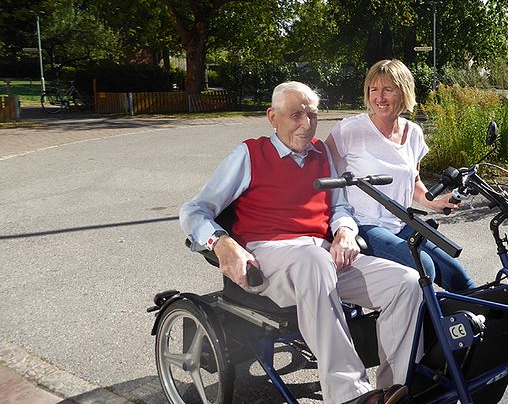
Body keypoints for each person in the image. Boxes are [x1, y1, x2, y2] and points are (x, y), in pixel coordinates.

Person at [180, 81, 420, 404]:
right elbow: (194, 211)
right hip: (269, 257)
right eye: (296, 115)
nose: (306, 125)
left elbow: (340, 208)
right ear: (273, 117)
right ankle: (350, 395)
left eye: (313, 115)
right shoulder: (250, 154)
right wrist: (221, 243)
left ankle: (395, 390)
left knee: (406, 283)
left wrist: (345, 232)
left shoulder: (321, 153)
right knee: (314, 259)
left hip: (318, 253)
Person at [325, 59, 477, 293]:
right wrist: (338, 227)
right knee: (424, 266)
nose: (379, 97)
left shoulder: (413, 132)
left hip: (401, 222)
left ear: (403, 91)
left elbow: (413, 181)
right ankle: (427, 326)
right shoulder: (350, 130)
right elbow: (322, 173)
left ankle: (472, 324)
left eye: (387, 89)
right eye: (373, 89)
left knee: (458, 276)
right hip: (364, 224)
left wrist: (434, 202)